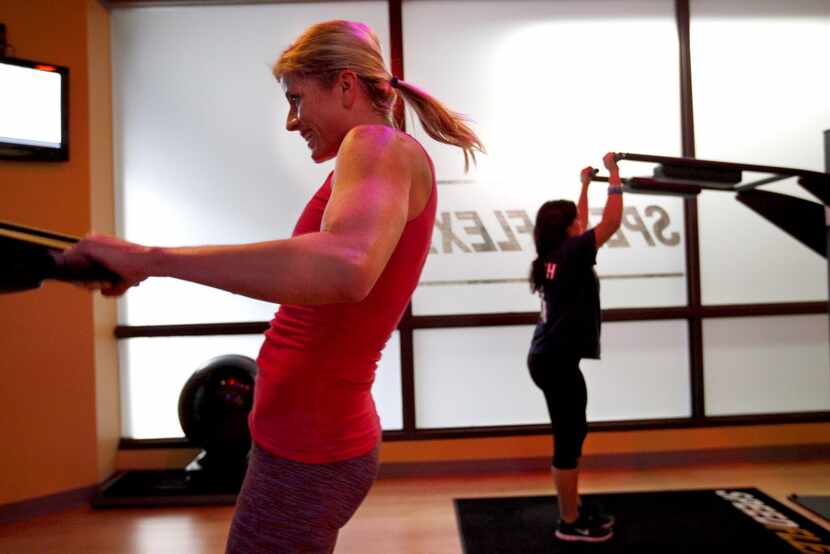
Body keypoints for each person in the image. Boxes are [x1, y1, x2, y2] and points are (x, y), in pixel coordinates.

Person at [58, 20, 484, 553]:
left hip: (312, 449)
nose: (292, 121)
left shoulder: (375, 144)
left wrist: (152, 260)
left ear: (346, 86)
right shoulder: (375, 153)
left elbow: (345, 267)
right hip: (299, 442)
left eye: (297, 99)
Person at [526, 152, 623, 543]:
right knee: (568, 439)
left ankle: (574, 508)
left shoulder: (555, 254)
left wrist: (585, 185)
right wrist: (615, 174)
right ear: (568, 229)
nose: (580, 223)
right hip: (555, 361)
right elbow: (611, 222)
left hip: (550, 358)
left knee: (574, 431)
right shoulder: (572, 253)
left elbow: (581, 221)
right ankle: (569, 522)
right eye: (575, 221)